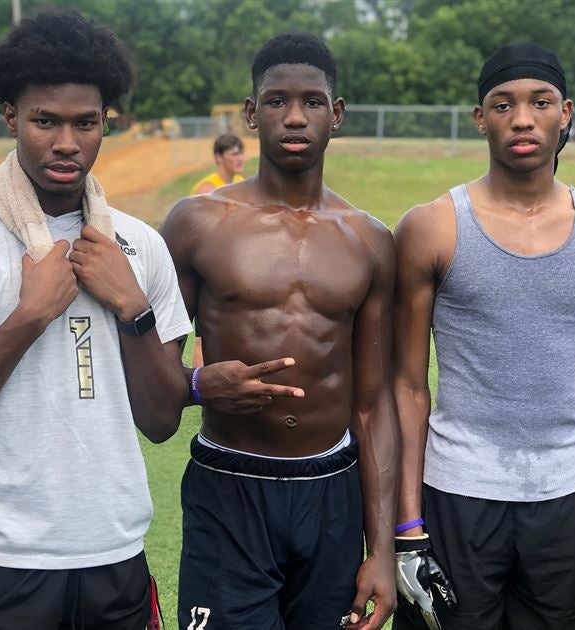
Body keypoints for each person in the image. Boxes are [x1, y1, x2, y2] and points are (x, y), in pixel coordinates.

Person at [0, 11, 191, 630]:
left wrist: (132, 308)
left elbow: (162, 421)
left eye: (85, 122)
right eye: (45, 121)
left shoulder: (139, 247)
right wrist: (27, 317)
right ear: (11, 117)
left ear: (106, 121)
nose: (66, 142)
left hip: (115, 555)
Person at [391, 42, 575, 629]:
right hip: (456, 496)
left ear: (566, 113)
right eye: (503, 104)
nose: (523, 119)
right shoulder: (431, 228)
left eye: (541, 102)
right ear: (480, 118)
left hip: (567, 499)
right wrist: (407, 529)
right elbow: (406, 388)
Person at [161, 33, 398, 630]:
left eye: (312, 102)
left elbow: (373, 404)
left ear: (336, 114)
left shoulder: (369, 239)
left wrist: (381, 548)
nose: (295, 117)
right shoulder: (197, 223)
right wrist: (197, 384)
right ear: (251, 113)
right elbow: (152, 379)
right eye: (276, 101)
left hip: (331, 489)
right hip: (229, 482)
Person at [189, 133, 246, 368]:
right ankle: (199, 383)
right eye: (234, 154)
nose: (240, 158)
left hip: (235, 269)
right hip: (209, 272)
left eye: (241, 153)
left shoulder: (241, 183)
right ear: (218, 157)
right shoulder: (207, 189)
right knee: (202, 336)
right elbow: (194, 232)